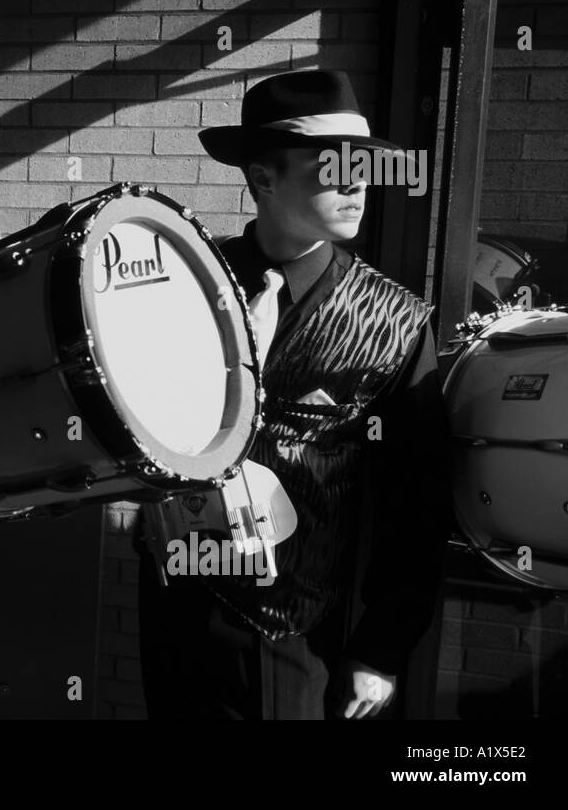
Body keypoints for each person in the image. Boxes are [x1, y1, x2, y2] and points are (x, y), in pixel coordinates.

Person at [135, 70, 452, 720]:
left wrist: (382, 646)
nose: (357, 181)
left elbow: (417, 505)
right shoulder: (182, 283)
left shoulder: (393, 323)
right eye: (333, 165)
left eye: (363, 164)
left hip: (291, 635)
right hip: (175, 607)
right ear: (262, 179)